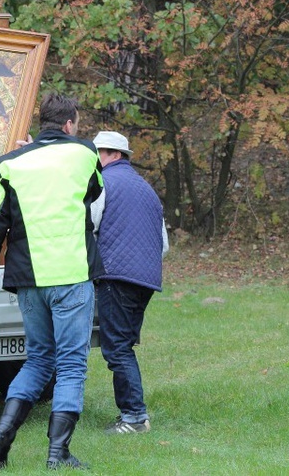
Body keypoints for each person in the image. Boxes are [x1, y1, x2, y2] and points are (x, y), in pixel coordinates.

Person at [0, 93, 104, 470]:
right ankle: (59, 454)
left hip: (28, 279)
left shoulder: (9, 163)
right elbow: (94, 191)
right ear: (70, 124)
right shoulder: (86, 153)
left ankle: (0, 437)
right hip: (71, 275)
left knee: (38, 360)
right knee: (71, 365)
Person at [91, 130, 165, 435]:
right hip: (145, 279)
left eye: (98, 153)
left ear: (114, 155)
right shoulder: (147, 189)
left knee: (117, 348)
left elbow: (90, 226)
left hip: (115, 275)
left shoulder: (103, 183)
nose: (93, 160)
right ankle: (135, 414)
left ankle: (134, 417)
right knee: (124, 345)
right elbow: (165, 243)